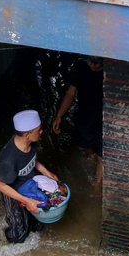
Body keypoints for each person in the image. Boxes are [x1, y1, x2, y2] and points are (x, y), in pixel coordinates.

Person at [0, 110, 59, 244]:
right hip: (14, 192)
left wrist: (45, 171)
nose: (41, 132)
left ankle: (37, 239)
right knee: (18, 227)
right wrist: (25, 200)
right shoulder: (8, 159)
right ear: (27, 135)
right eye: (39, 130)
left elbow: (31, 159)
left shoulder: (32, 142)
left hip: (30, 183)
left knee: (37, 219)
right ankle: (14, 250)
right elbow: (0, 185)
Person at [53, 56, 104, 184]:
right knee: (83, 146)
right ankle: (92, 153)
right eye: (89, 62)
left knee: (102, 155)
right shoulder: (80, 67)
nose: (92, 66)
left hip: (104, 116)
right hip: (85, 113)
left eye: (96, 63)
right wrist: (59, 116)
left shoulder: (110, 72)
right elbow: (70, 93)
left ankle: (97, 185)